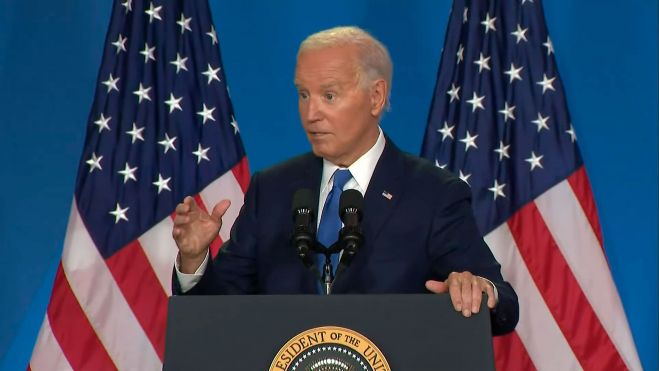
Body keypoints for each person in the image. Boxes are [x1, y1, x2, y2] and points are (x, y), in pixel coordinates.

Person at [172, 26, 518, 335]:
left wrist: (476, 289)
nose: (311, 114)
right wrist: (194, 259)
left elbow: (503, 303)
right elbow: (215, 314)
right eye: (303, 94)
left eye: (329, 96)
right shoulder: (273, 189)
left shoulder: (433, 193)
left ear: (376, 96)